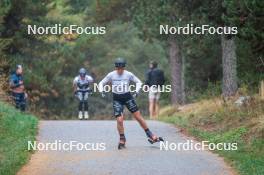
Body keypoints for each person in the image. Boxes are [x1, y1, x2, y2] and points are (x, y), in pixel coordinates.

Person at [98, 58, 163, 150]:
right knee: (120, 120)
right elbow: (101, 83)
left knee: (138, 117)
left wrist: (136, 91)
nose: (120, 71)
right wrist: (102, 91)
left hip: (128, 97)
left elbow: (138, 82)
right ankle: (122, 139)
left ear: (124, 67)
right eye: (118, 69)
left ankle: (150, 135)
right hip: (117, 99)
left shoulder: (128, 74)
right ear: (115, 67)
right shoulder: (111, 75)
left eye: (121, 68)